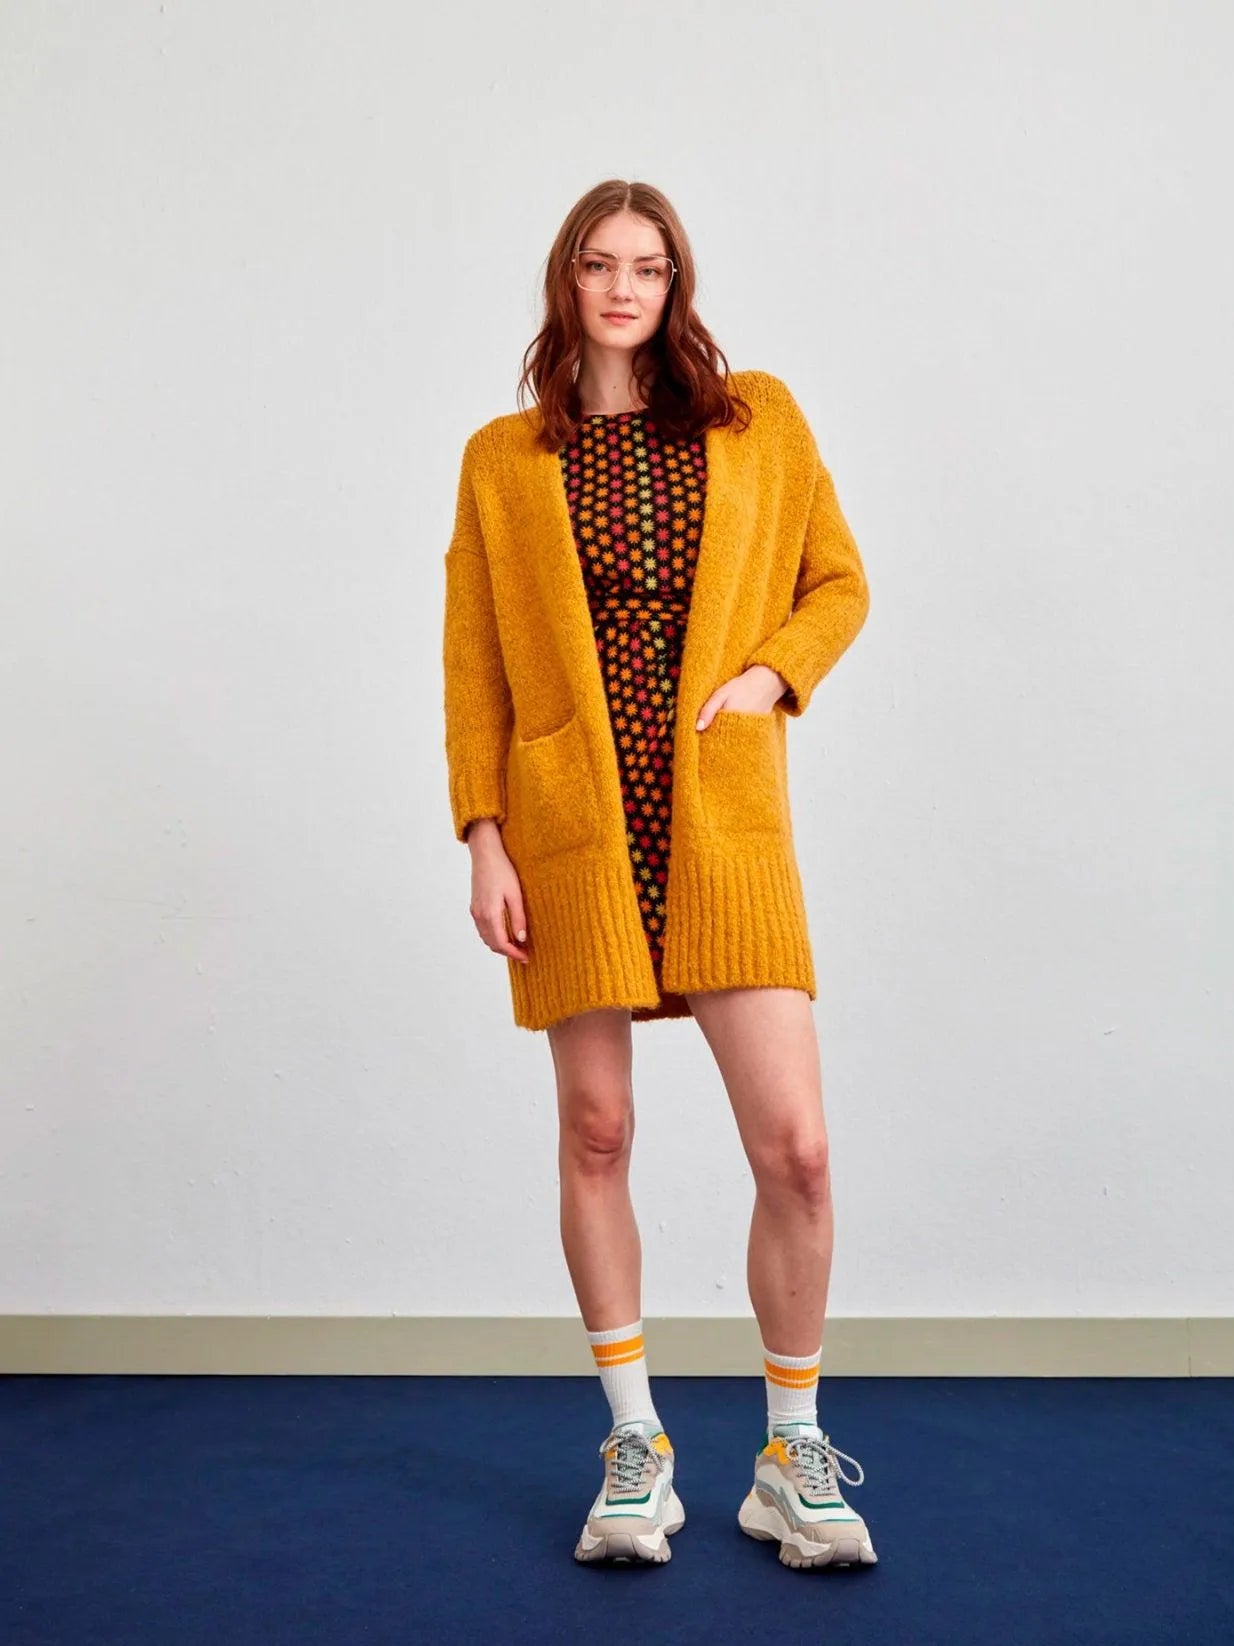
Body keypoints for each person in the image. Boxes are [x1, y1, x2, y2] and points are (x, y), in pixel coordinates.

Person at [441, 180, 875, 1571]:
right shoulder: (505, 459)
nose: (624, 287)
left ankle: (790, 1454)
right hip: (575, 822)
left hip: (717, 815)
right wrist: (484, 832)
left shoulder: (758, 421)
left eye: (650, 265)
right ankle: (636, 1446)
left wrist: (770, 677)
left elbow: (838, 583)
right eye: (599, 264)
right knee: (597, 1130)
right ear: (565, 283)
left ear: (677, 282)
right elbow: (475, 664)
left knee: (796, 1148)